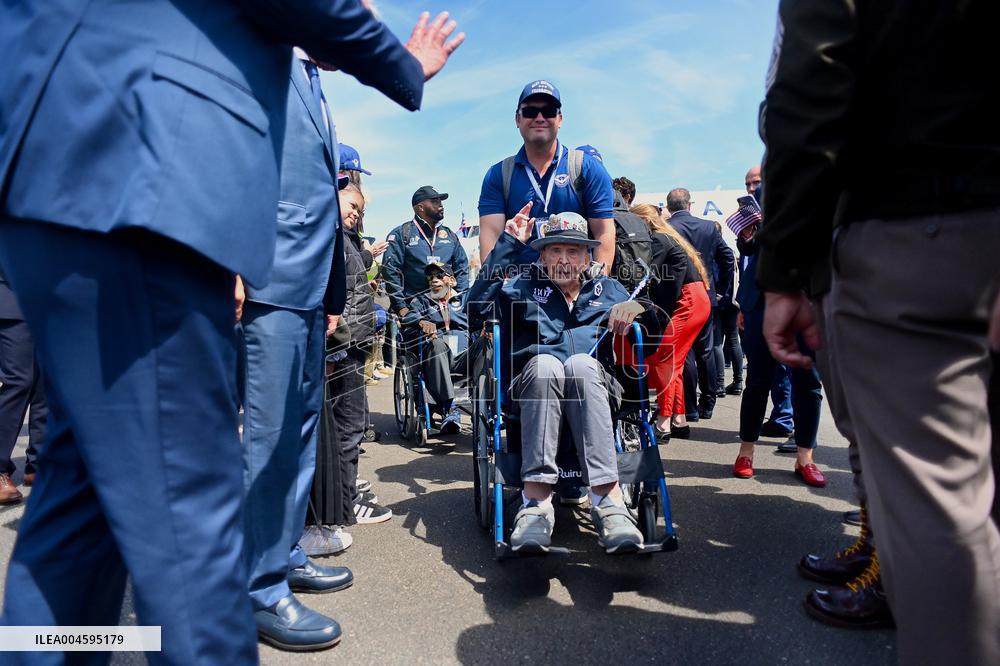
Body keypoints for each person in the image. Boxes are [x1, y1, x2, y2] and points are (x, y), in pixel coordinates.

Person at [0, 0, 462, 660]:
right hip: (140, 179)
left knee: (79, 504)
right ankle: (256, 588)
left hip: (70, 161)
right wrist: (403, 63)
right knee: (191, 506)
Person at [758, 1, 999, 661]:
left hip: (912, 217)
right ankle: (879, 558)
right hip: (941, 208)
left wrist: (785, 265)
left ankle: (894, 579)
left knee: (935, 503)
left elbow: (812, 86)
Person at [468, 208, 648, 554]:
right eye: (555, 250)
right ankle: (535, 504)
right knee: (547, 365)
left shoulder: (609, 289)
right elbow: (475, 310)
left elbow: (652, 318)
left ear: (587, 255)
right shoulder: (519, 286)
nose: (564, 259)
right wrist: (507, 244)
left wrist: (635, 311)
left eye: (573, 250)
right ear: (542, 254)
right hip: (534, 386)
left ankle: (608, 501)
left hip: (593, 386)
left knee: (580, 365)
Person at [732, 188, 825, 487]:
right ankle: (746, 452)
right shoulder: (768, 190)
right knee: (758, 380)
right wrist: (747, 235)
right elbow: (750, 249)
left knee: (807, 383)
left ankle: (805, 457)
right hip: (762, 303)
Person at [477, 80, 616, 268]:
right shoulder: (498, 175)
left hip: (575, 283)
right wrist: (495, 284)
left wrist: (597, 283)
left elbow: (604, 232)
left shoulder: (587, 168)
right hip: (519, 284)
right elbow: (491, 237)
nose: (540, 118)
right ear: (517, 119)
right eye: (530, 111)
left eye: (549, 111)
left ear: (560, 119)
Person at [323, 185, 392, 526]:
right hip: (343, 345)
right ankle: (345, 504)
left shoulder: (344, 238)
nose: (356, 213)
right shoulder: (330, 235)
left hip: (351, 342)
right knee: (347, 427)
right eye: (352, 205)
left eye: (360, 210)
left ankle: (344, 493)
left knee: (350, 426)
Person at [628, 204, 711, 440]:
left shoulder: (658, 240)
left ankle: (664, 422)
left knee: (666, 359)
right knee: (675, 361)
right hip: (695, 299)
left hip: (688, 301)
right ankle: (678, 419)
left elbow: (647, 277)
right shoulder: (668, 237)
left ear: (644, 221)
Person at [665, 188, 734, 420]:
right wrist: (720, 290)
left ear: (668, 207)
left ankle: (690, 407)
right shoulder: (708, 227)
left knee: (685, 353)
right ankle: (708, 403)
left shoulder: (668, 228)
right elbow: (727, 258)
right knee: (706, 351)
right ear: (689, 205)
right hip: (706, 295)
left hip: (680, 297)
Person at [402, 262, 472, 434]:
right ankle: (450, 406)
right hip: (437, 356)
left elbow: (482, 314)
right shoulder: (422, 301)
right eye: (431, 277)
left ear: (452, 280)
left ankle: (492, 409)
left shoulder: (465, 299)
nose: (434, 280)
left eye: (440, 276)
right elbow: (407, 318)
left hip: (463, 356)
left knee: (487, 345)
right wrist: (420, 321)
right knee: (437, 344)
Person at [382, 185, 469, 318]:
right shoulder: (401, 234)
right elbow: (391, 272)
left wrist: (460, 301)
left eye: (440, 201)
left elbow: (462, 269)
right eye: (435, 201)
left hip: (447, 311)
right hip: (414, 312)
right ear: (420, 207)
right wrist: (401, 307)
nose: (441, 205)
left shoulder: (450, 236)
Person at [0, 269, 47, 503]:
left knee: (46, 383)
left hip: (45, 296)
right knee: (19, 381)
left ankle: (39, 464)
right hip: (9, 292)